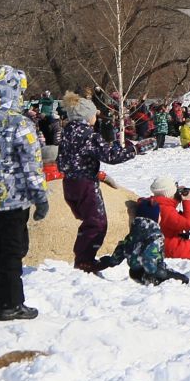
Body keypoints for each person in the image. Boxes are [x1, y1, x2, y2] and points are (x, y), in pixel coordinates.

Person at [0, 64, 48, 322]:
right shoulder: (21, 124)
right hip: (15, 201)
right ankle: (11, 303)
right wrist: (40, 196)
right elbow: (31, 165)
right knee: (14, 250)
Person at [59, 99, 139, 272]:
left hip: (68, 183)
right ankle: (84, 260)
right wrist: (134, 150)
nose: (96, 117)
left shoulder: (66, 132)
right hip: (85, 183)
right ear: (87, 116)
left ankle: (82, 257)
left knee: (89, 221)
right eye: (94, 114)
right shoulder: (88, 134)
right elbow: (111, 157)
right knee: (97, 223)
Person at [149, 177, 190, 261]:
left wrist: (176, 197)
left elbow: (168, 204)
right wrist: (187, 201)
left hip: (160, 244)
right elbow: (188, 224)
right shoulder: (165, 210)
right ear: (168, 193)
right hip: (171, 249)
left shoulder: (153, 204)